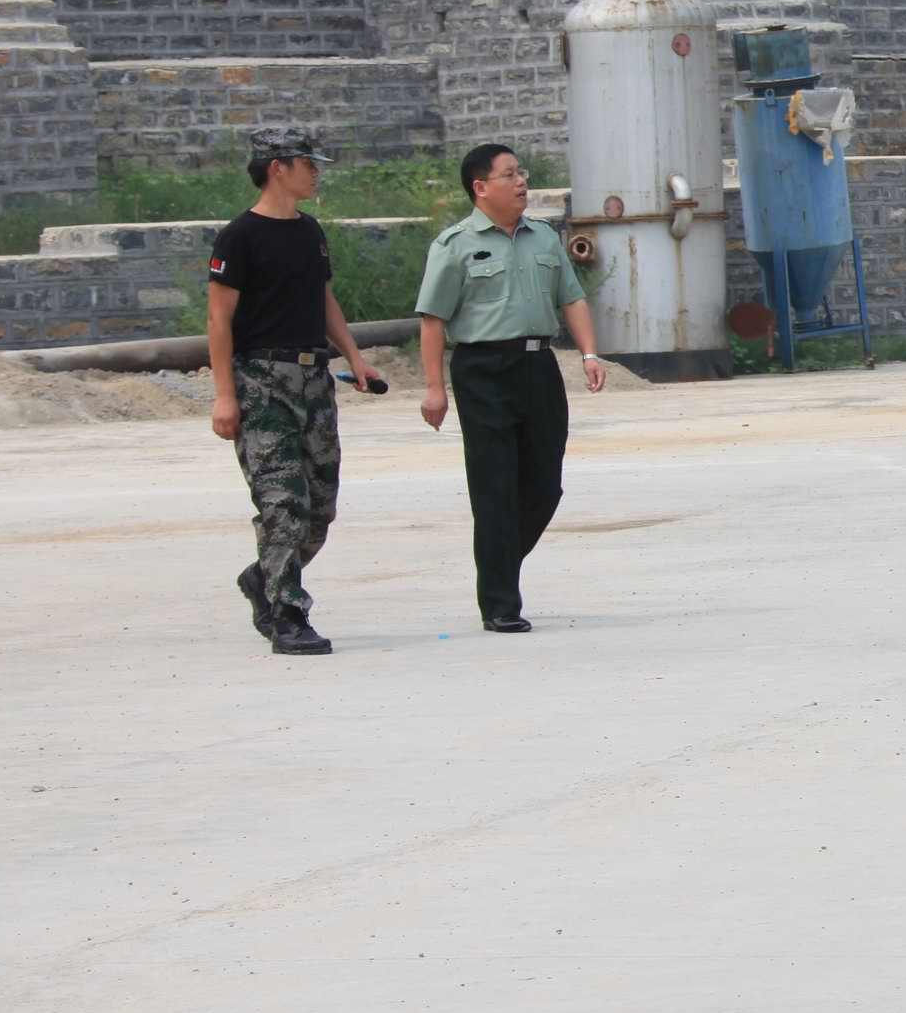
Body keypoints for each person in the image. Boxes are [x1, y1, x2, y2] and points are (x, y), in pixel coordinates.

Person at [415, 142, 606, 633]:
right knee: (495, 486)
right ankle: (500, 602)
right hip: (483, 371)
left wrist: (589, 354)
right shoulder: (454, 245)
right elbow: (433, 320)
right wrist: (435, 388)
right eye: (509, 175)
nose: (521, 182)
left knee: (544, 486)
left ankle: (497, 563)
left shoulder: (543, 237)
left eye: (522, 173)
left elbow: (572, 299)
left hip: (538, 366)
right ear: (481, 187)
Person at [206, 127, 382, 655]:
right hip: (262, 384)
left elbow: (323, 299)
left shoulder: (309, 232)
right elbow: (218, 320)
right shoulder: (240, 236)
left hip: (314, 382)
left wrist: (354, 358)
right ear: (277, 168)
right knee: (283, 503)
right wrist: (224, 396)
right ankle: (287, 616)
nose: (316, 173)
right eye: (308, 163)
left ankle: (263, 575)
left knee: (320, 509)